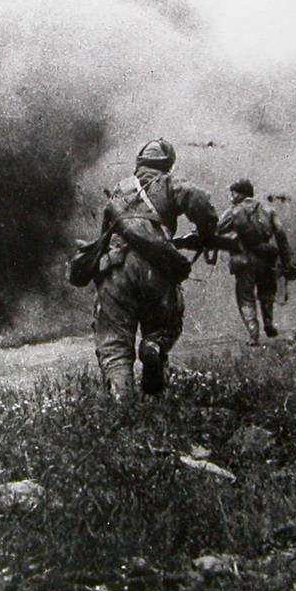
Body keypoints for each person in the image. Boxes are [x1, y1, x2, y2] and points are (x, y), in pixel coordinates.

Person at [92, 139, 219, 398]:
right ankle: (153, 346)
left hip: (116, 268)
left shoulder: (119, 189)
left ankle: (121, 401)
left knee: (114, 341)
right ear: (167, 164)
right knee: (164, 325)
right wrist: (206, 234)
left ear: (139, 162)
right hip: (155, 266)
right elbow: (200, 201)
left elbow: (104, 236)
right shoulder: (168, 183)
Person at [216, 179, 295, 346]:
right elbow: (281, 236)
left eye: (233, 192)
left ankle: (253, 335)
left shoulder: (232, 212)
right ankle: (268, 323)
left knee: (245, 298)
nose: (231, 196)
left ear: (239, 193)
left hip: (243, 261)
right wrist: (287, 262)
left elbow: (215, 231)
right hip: (266, 259)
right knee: (267, 293)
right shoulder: (269, 210)